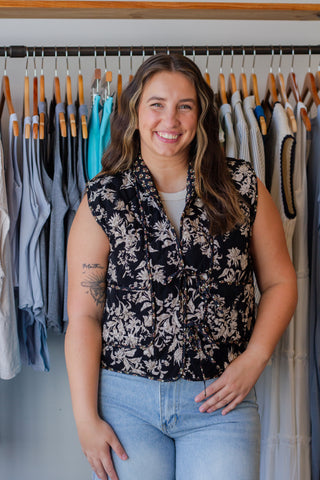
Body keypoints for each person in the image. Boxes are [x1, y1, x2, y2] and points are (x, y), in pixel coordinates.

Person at [65, 53, 297, 480]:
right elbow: (83, 314)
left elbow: (281, 281)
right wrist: (84, 418)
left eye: (184, 106)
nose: (169, 119)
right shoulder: (104, 197)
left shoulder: (242, 186)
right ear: (135, 110)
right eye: (156, 104)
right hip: (126, 404)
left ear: (200, 113)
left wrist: (256, 358)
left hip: (221, 403)